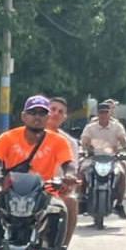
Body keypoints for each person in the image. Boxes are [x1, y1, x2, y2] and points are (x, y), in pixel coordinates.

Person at [0, 95, 78, 250]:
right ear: (23, 116)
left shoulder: (59, 142)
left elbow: (69, 165)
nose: (37, 117)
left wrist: (69, 176)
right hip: (11, 191)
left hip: (45, 192)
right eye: (32, 113)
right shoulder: (7, 138)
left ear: (47, 119)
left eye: (42, 113)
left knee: (60, 210)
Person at [80, 102, 126, 218]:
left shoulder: (117, 126)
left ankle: (119, 203)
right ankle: (82, 197)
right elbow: (84, 141)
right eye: (101, 112)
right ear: (97, 114)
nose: (103, 115)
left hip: (112, 159)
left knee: (122, 173)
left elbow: (123, 140)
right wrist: (82, 149)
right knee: (81, 171)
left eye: (106, 112)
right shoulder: (90, 127)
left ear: (110, 113)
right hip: (94, 158)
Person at [46, 97, 81, 241]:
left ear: (64, 117)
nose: (55, 114)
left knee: (71, 202)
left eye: (60, 112)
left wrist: (68, 181)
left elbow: (71, 167)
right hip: (26, 189)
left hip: (55, 189)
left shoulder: (69, 142)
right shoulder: (27, 135)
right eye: (52, 109)